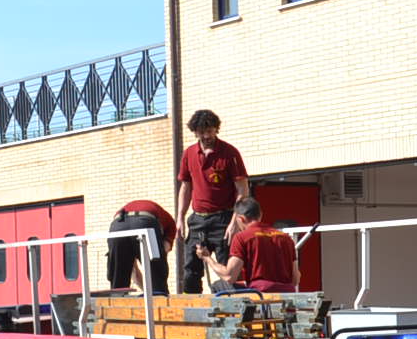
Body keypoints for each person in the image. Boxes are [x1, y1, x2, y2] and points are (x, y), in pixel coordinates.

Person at [174, 109, 250, 293]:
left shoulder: (229, 153)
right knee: (191, 269)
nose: (206, 135)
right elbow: (185, 187)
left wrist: (234, 221)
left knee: (228, 267)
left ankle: (234, 308)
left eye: (210, 131)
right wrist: (180, 218)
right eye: (202, 132)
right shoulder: (189, 154)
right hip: (198, 219)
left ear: (216, 129)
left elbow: (242, 189)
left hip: (223, 219)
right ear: (195, 132)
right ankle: (192, 309)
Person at [196, 197, 300, 293]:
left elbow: (229, 276)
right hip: (287, 292)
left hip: (260, 293)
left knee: (218, 286)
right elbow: (295, 279)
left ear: (241, 219)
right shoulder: (286, 238)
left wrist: (207, 258)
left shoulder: (242, 237)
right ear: (260, 215)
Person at [105, 198, 178, 295]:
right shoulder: (171, 227)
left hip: (117, 225)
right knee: (157, 274)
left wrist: (147, 292)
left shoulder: (162, 217)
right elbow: (163, 251)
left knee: (118, 285)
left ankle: (117, 303)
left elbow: (134, 273)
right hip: (145, 222)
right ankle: (158, 300)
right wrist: (152, 290)